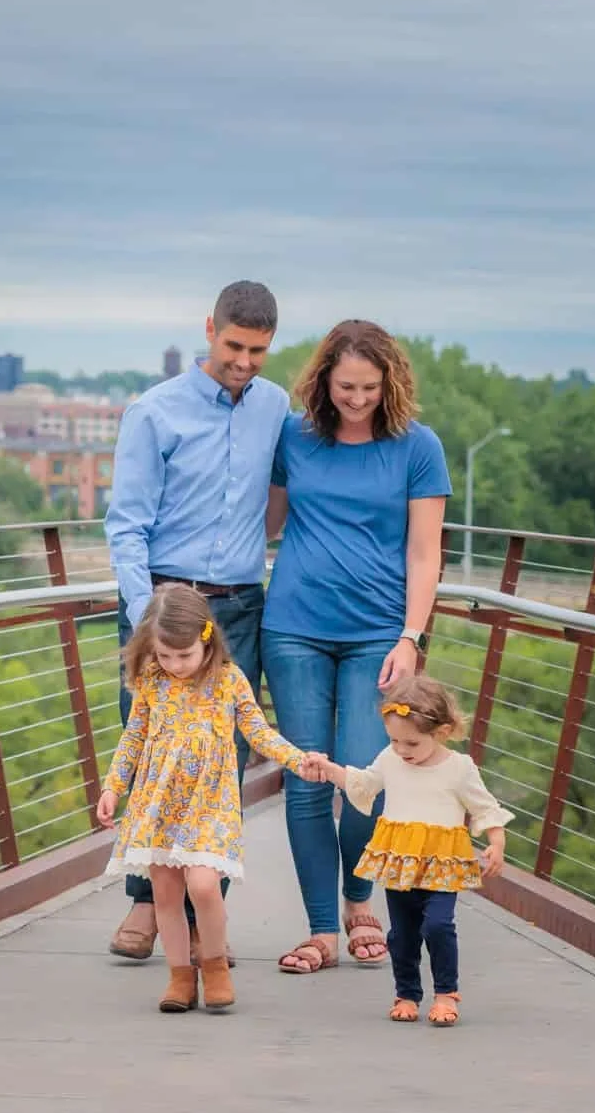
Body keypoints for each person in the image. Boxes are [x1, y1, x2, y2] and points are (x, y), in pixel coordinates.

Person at [101, 280, 291, 962]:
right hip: (165, 605)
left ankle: (207, 920)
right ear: (210, 330)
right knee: (154, 750)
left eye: (258, 350)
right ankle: (145, 906)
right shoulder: (154, 412)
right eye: (234, 345)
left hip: (240, 603)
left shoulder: (276, 407)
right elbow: (125, 527)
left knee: (223, 760)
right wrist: (144, 619)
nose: (244, 361)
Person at [263, 319, 452, 975]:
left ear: (389, 381)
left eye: (371, 386)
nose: (358, 398)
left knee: (366, 778)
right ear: (323, 381)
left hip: (379, 632)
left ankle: (355, 895)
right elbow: (265, 521)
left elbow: (425, 552)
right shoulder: (295, 436)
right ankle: (320, 929)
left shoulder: (417, 447)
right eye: (346, 386)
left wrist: (411, 635)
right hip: (293, 626)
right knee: (308, 777)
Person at [94, 585, 331, 1013]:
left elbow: (258, 732)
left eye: (183, 656)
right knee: (165, 894)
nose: (175, 665)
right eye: (164, 656)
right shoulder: (152, 679)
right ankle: (180, 977)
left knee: (203, 885)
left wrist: (297, 761)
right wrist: (113, 786)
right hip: (159, 801)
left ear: (206, 640)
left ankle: (214, 965)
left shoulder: (228, 680)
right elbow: (134, 736)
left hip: (210, 803)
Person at [311, 674, 509, 1026]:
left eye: (412, 743)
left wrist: (496, 842)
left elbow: (484, 807)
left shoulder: (458, 768)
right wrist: (331, 771)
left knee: (437, 925)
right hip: (399, 859)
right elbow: (364, 784)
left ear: (442, 732)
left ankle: (446, 993)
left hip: (441, 863)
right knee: (401, 933)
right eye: (395, 740)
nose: (402, 750)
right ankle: (406, 994)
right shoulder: (391, 757)